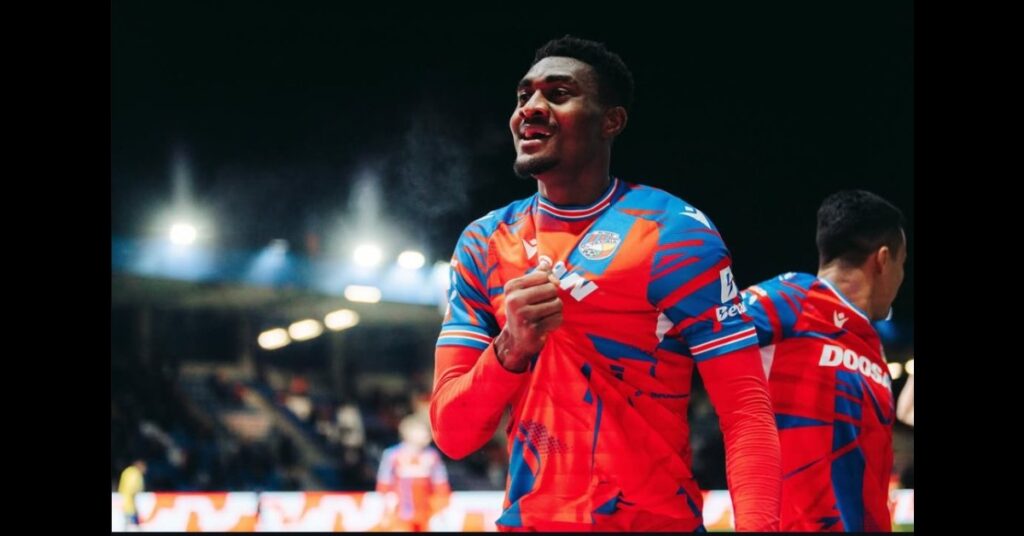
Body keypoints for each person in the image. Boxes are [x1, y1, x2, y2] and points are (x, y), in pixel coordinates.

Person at [429, 35, 780, 532]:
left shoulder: (674, 232)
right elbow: (452, 434)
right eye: (524, 95)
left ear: (611, 121)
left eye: (558, 93)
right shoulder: (484, 242)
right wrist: (510, 347)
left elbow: (746, 412)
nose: (530, 107)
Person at [740, 189, 908, 531]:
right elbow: (689, 335)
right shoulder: (790, 300)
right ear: (882, 259)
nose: (902, 277)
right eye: (902, 264)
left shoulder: (872, 347)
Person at [376, 415, 451, 532]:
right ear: (408, 433)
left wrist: (441, 504)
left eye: (428, 431)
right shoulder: (392, 454)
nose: (427, 434)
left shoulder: (432, 456)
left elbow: (440, 482)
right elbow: (384, 480)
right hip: (400, 511)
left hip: (425, 510)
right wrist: (386, 501)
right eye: (423, 431)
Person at [118, 459, 147, 532]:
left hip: (125, 500)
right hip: (130, 501)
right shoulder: (134, 473)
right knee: (131, 520)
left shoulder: (128, 471)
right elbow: (132, 488)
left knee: (128, 521)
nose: (145, 469)